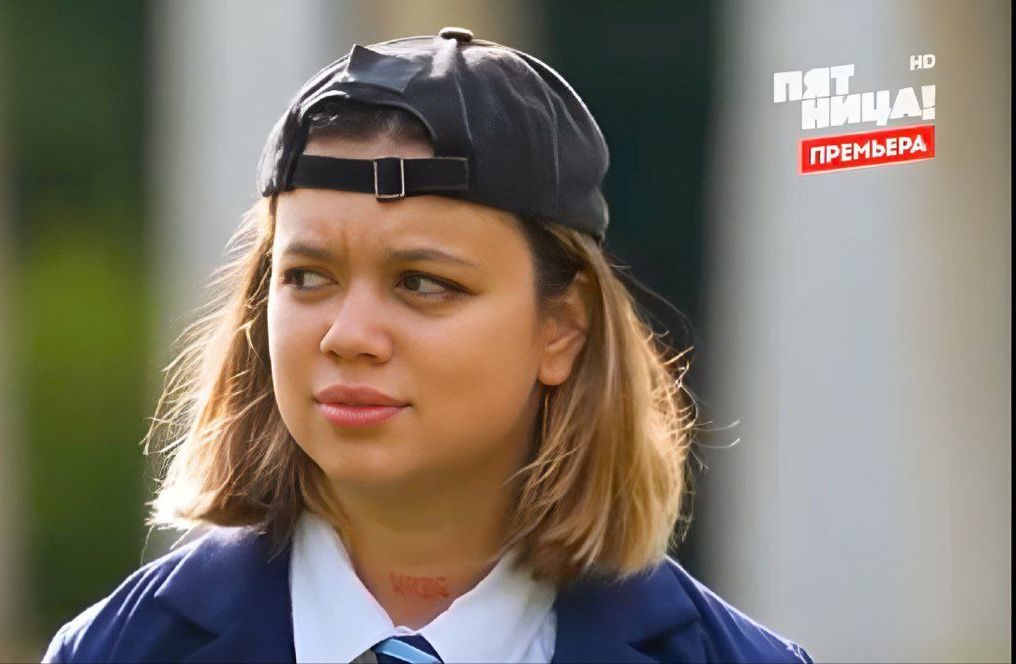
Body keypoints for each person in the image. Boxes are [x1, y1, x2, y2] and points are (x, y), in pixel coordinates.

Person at [43, 27, 813, 663]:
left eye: (422, 283)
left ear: (562, 327)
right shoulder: (116, 650)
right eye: (307, 277)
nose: (348, 336)